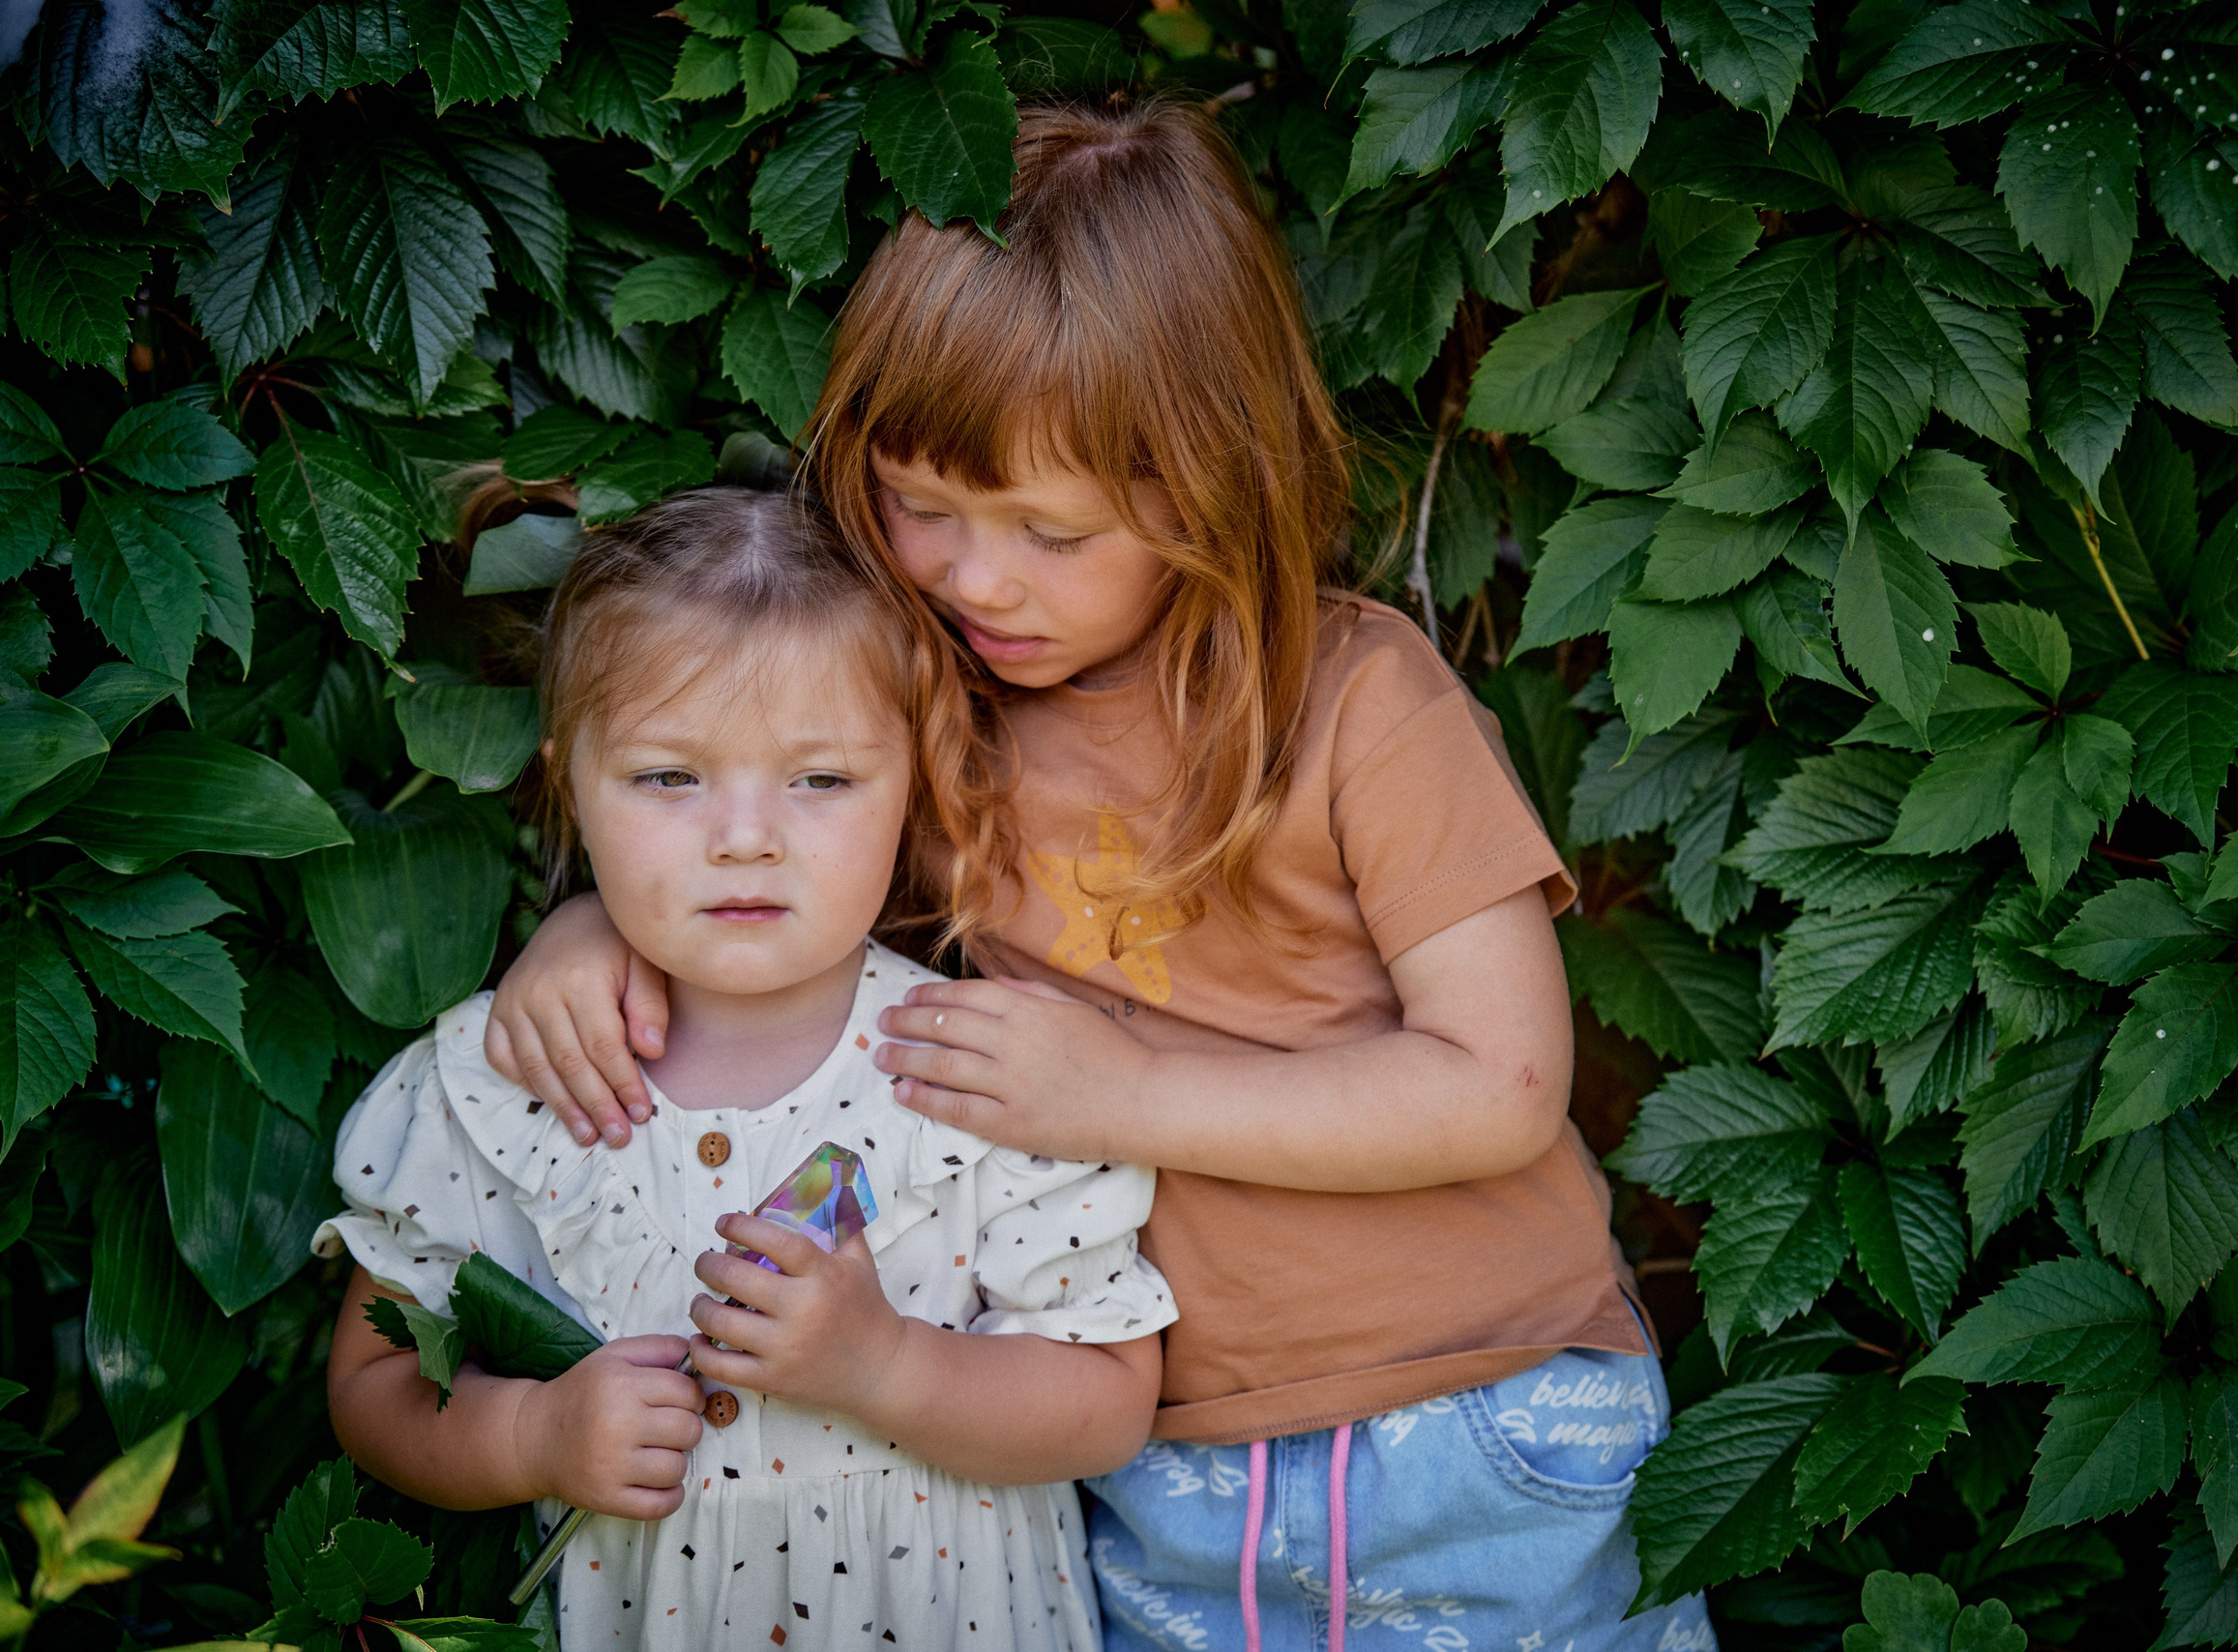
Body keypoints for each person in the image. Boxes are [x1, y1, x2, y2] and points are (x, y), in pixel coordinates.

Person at [482, 99, 1716, 1651]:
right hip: (1161, 1472)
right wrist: (605, 929)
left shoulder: (1356, 701)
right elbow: (761, 854)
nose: (975, 576)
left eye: (1052, 533)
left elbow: (1499, 1084)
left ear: (1207, 482)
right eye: (924, 507)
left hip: (1473, 1423)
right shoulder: (926, 714)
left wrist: (1119, 1094)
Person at [319, 487, 1176, 1652]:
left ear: (912, 777)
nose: (744, 836)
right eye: (669, 778)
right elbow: (374, 1376)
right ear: (571, 778)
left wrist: (889, 1368)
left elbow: (1110, 1398)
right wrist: (529, 1438)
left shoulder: (979, 1076)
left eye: (820, 779)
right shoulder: (501, 1085)